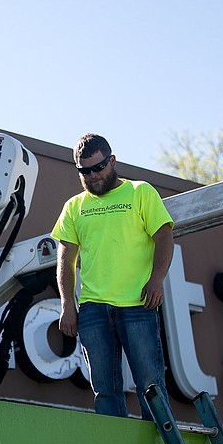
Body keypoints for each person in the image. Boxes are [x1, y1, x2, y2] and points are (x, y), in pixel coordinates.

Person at [52, 134, 174, 419]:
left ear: (112, 161)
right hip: (93, 309)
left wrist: (157, 279)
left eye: (99, 167)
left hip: (137, 304)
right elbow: (65, 258)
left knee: (151, 384)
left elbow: (164, 236)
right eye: (85, 171)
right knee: (104, 390)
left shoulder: (140, 191)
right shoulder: (73, 207)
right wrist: (67, 305)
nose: (93, 175)